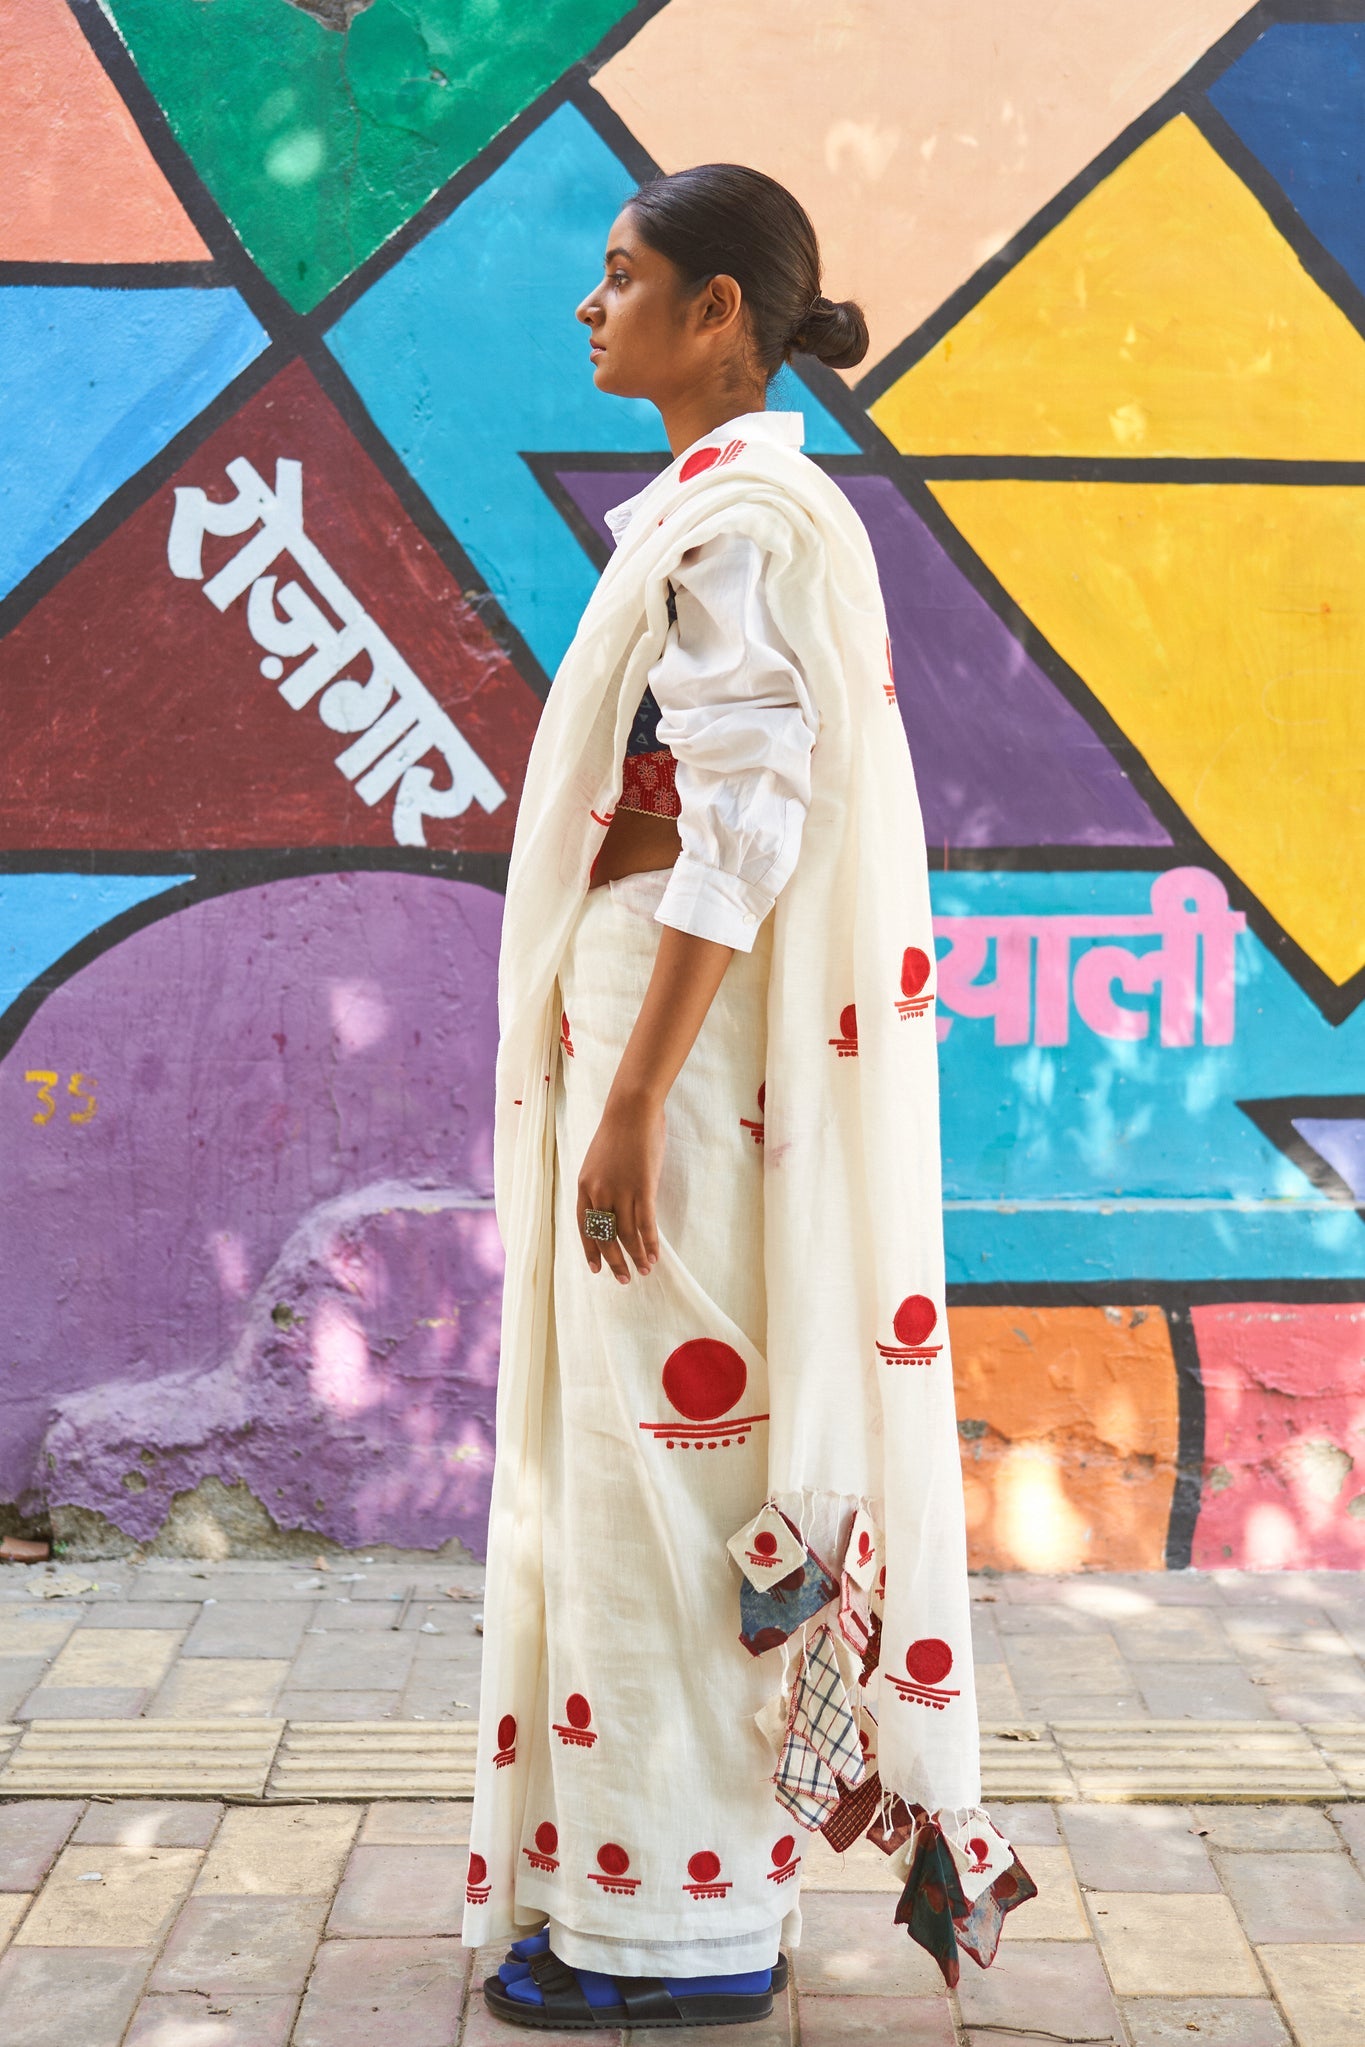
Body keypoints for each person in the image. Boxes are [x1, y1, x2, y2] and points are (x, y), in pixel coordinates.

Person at [464, 163, 1033, 2032]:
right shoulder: (725, 508)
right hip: (661, 1048)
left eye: (620, 278)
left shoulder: (749, 521)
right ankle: (648, 1894)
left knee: (664, 1479)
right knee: (630, 1471)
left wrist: (628, 1101)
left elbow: (741, 828)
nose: (588, 306)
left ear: (719, 311)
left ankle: (679, 1935)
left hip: (684, 1075)